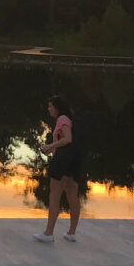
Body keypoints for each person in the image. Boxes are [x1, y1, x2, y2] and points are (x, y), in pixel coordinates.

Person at [35, 95, 80, 242]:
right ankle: (71, 233)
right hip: (73, 161)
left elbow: (67, 139)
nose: (48, 109)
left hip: (62, 162)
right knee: (72, 195)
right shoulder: (70, 118)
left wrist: (49, 146)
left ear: (57, 107)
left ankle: (49, 233)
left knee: (54, 196)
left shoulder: (62, 119)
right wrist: (51, 149)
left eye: (50, 106)